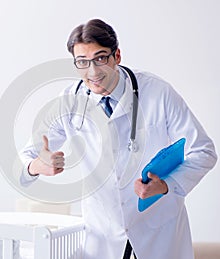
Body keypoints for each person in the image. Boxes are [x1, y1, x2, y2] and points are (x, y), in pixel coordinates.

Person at [19, 19, 217, 259]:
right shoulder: (69, 103)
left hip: (159, 231)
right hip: (103, 234)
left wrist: (166, 186)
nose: (92, 72)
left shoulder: (157, 93)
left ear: (117, 56)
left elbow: (204, 152)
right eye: (82, 62)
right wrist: (36, 166)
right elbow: (24, 163)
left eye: (101, 58)